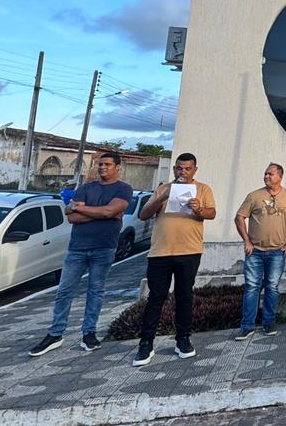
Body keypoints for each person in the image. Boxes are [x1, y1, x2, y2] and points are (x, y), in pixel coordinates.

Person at [29, 151, 133, 357]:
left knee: (96, 291)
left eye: (107, 164)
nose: (103, 167)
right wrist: (104, 213)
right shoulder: (86, 188)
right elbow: (73, 218)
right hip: (78, 247)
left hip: (104, 247)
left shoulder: (123, 189)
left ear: (118, 166)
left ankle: (89, 333)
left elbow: (107, 212)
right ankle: (55, 333)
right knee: (65, 290)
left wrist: (84, 209)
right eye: (100, 164)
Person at [131, 153, 217, 365]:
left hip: (189, 251)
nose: (182, 172)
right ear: (174, 169)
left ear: (195, 170)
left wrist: (199, 209)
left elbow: (211, 213)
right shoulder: (163, 189)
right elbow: (144, 215)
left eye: (187, 169)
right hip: (160, 252)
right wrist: (161, 198)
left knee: (184, 295)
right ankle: (146, 343)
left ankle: (183, 339)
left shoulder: (203, 189)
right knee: (156, 298)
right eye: (179, 168)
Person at [234, 164, 286, 339]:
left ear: (280, 176)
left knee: (272, 287)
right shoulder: (254, 196)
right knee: (252, 287)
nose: (266, 176)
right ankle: (247, 326)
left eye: (270, 174)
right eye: (265, 173)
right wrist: (246, 241)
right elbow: (239, 217)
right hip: (255, 252)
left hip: (277, 252)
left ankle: (268, 323)